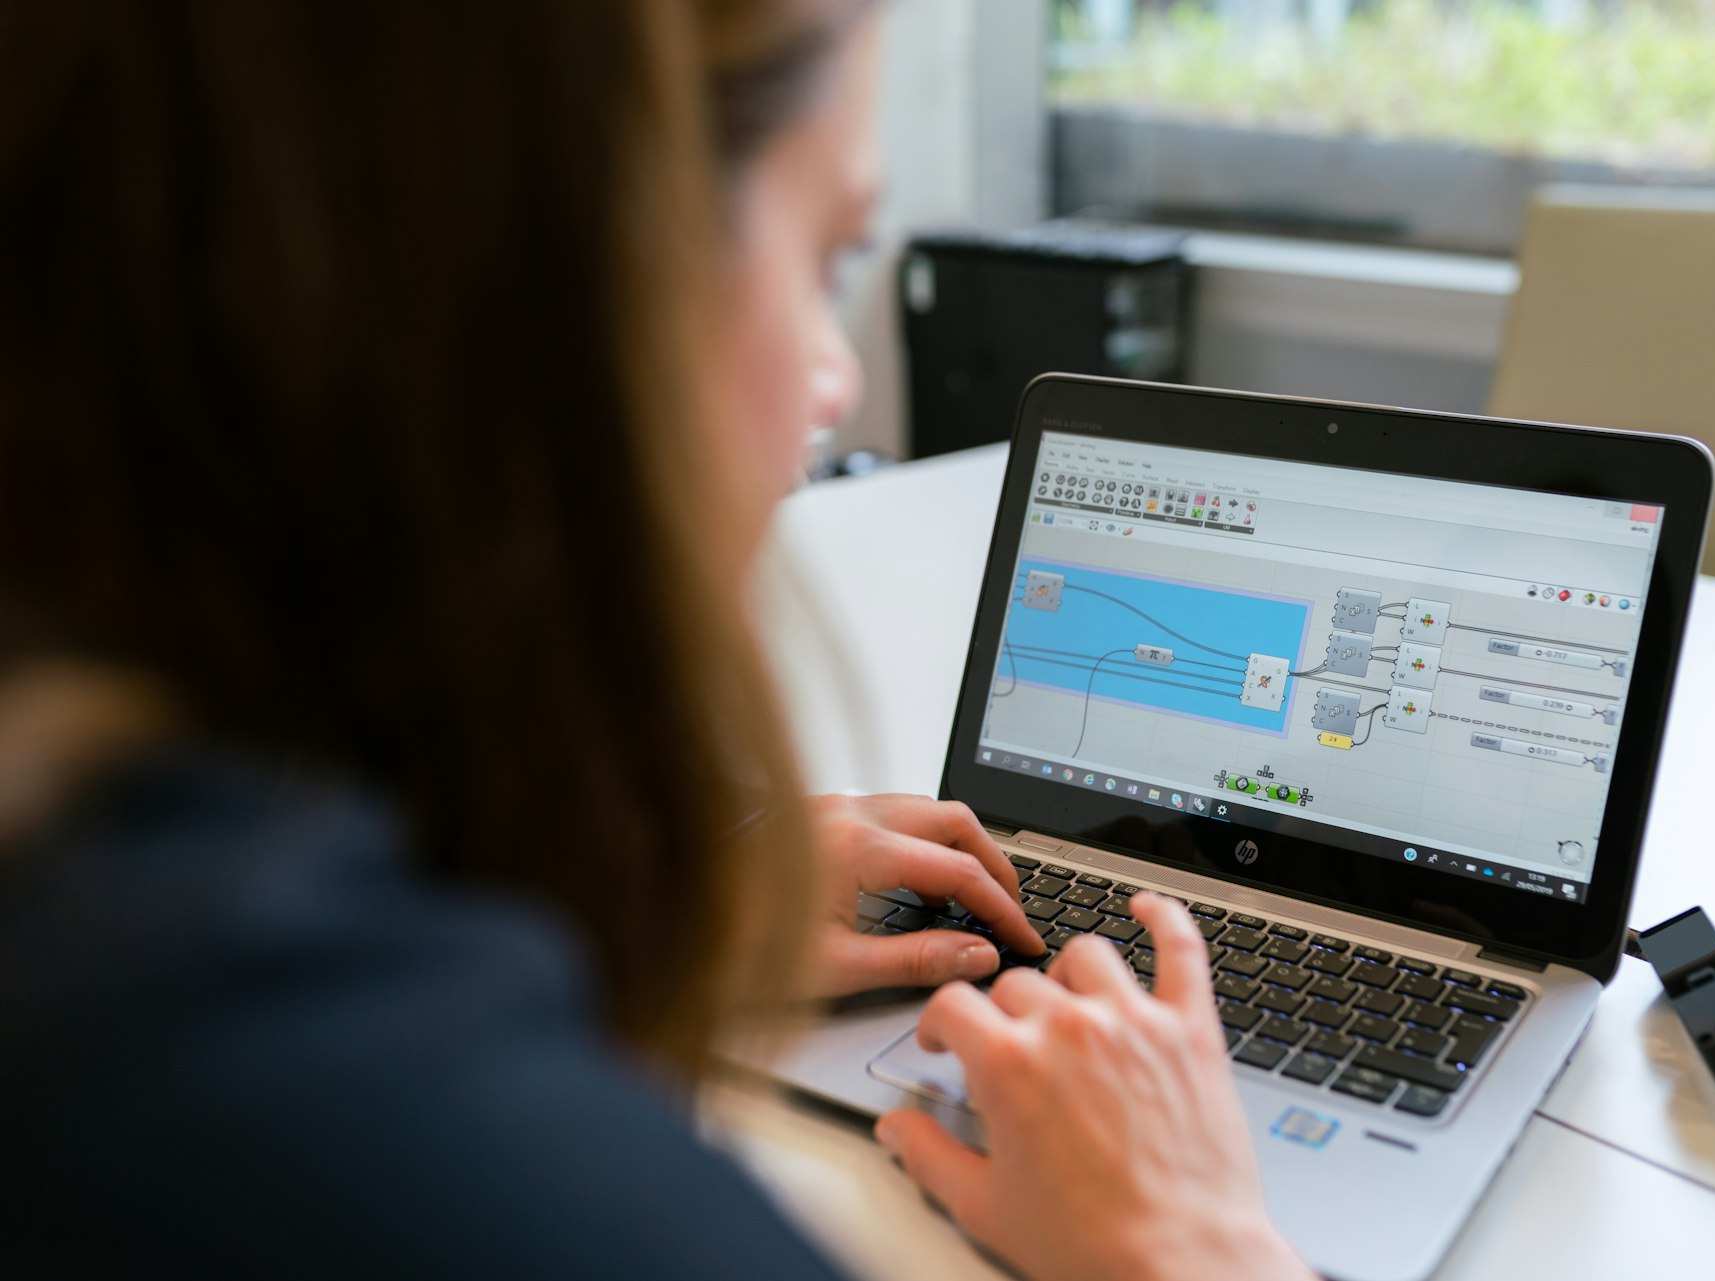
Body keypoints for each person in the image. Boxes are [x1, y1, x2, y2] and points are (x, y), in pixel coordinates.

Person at [0, 3, 1314, 1278]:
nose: (835, 381)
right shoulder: (451, 1173)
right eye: (828, 255)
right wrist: (1192, 1244)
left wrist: (652, 878)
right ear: (565, 300)